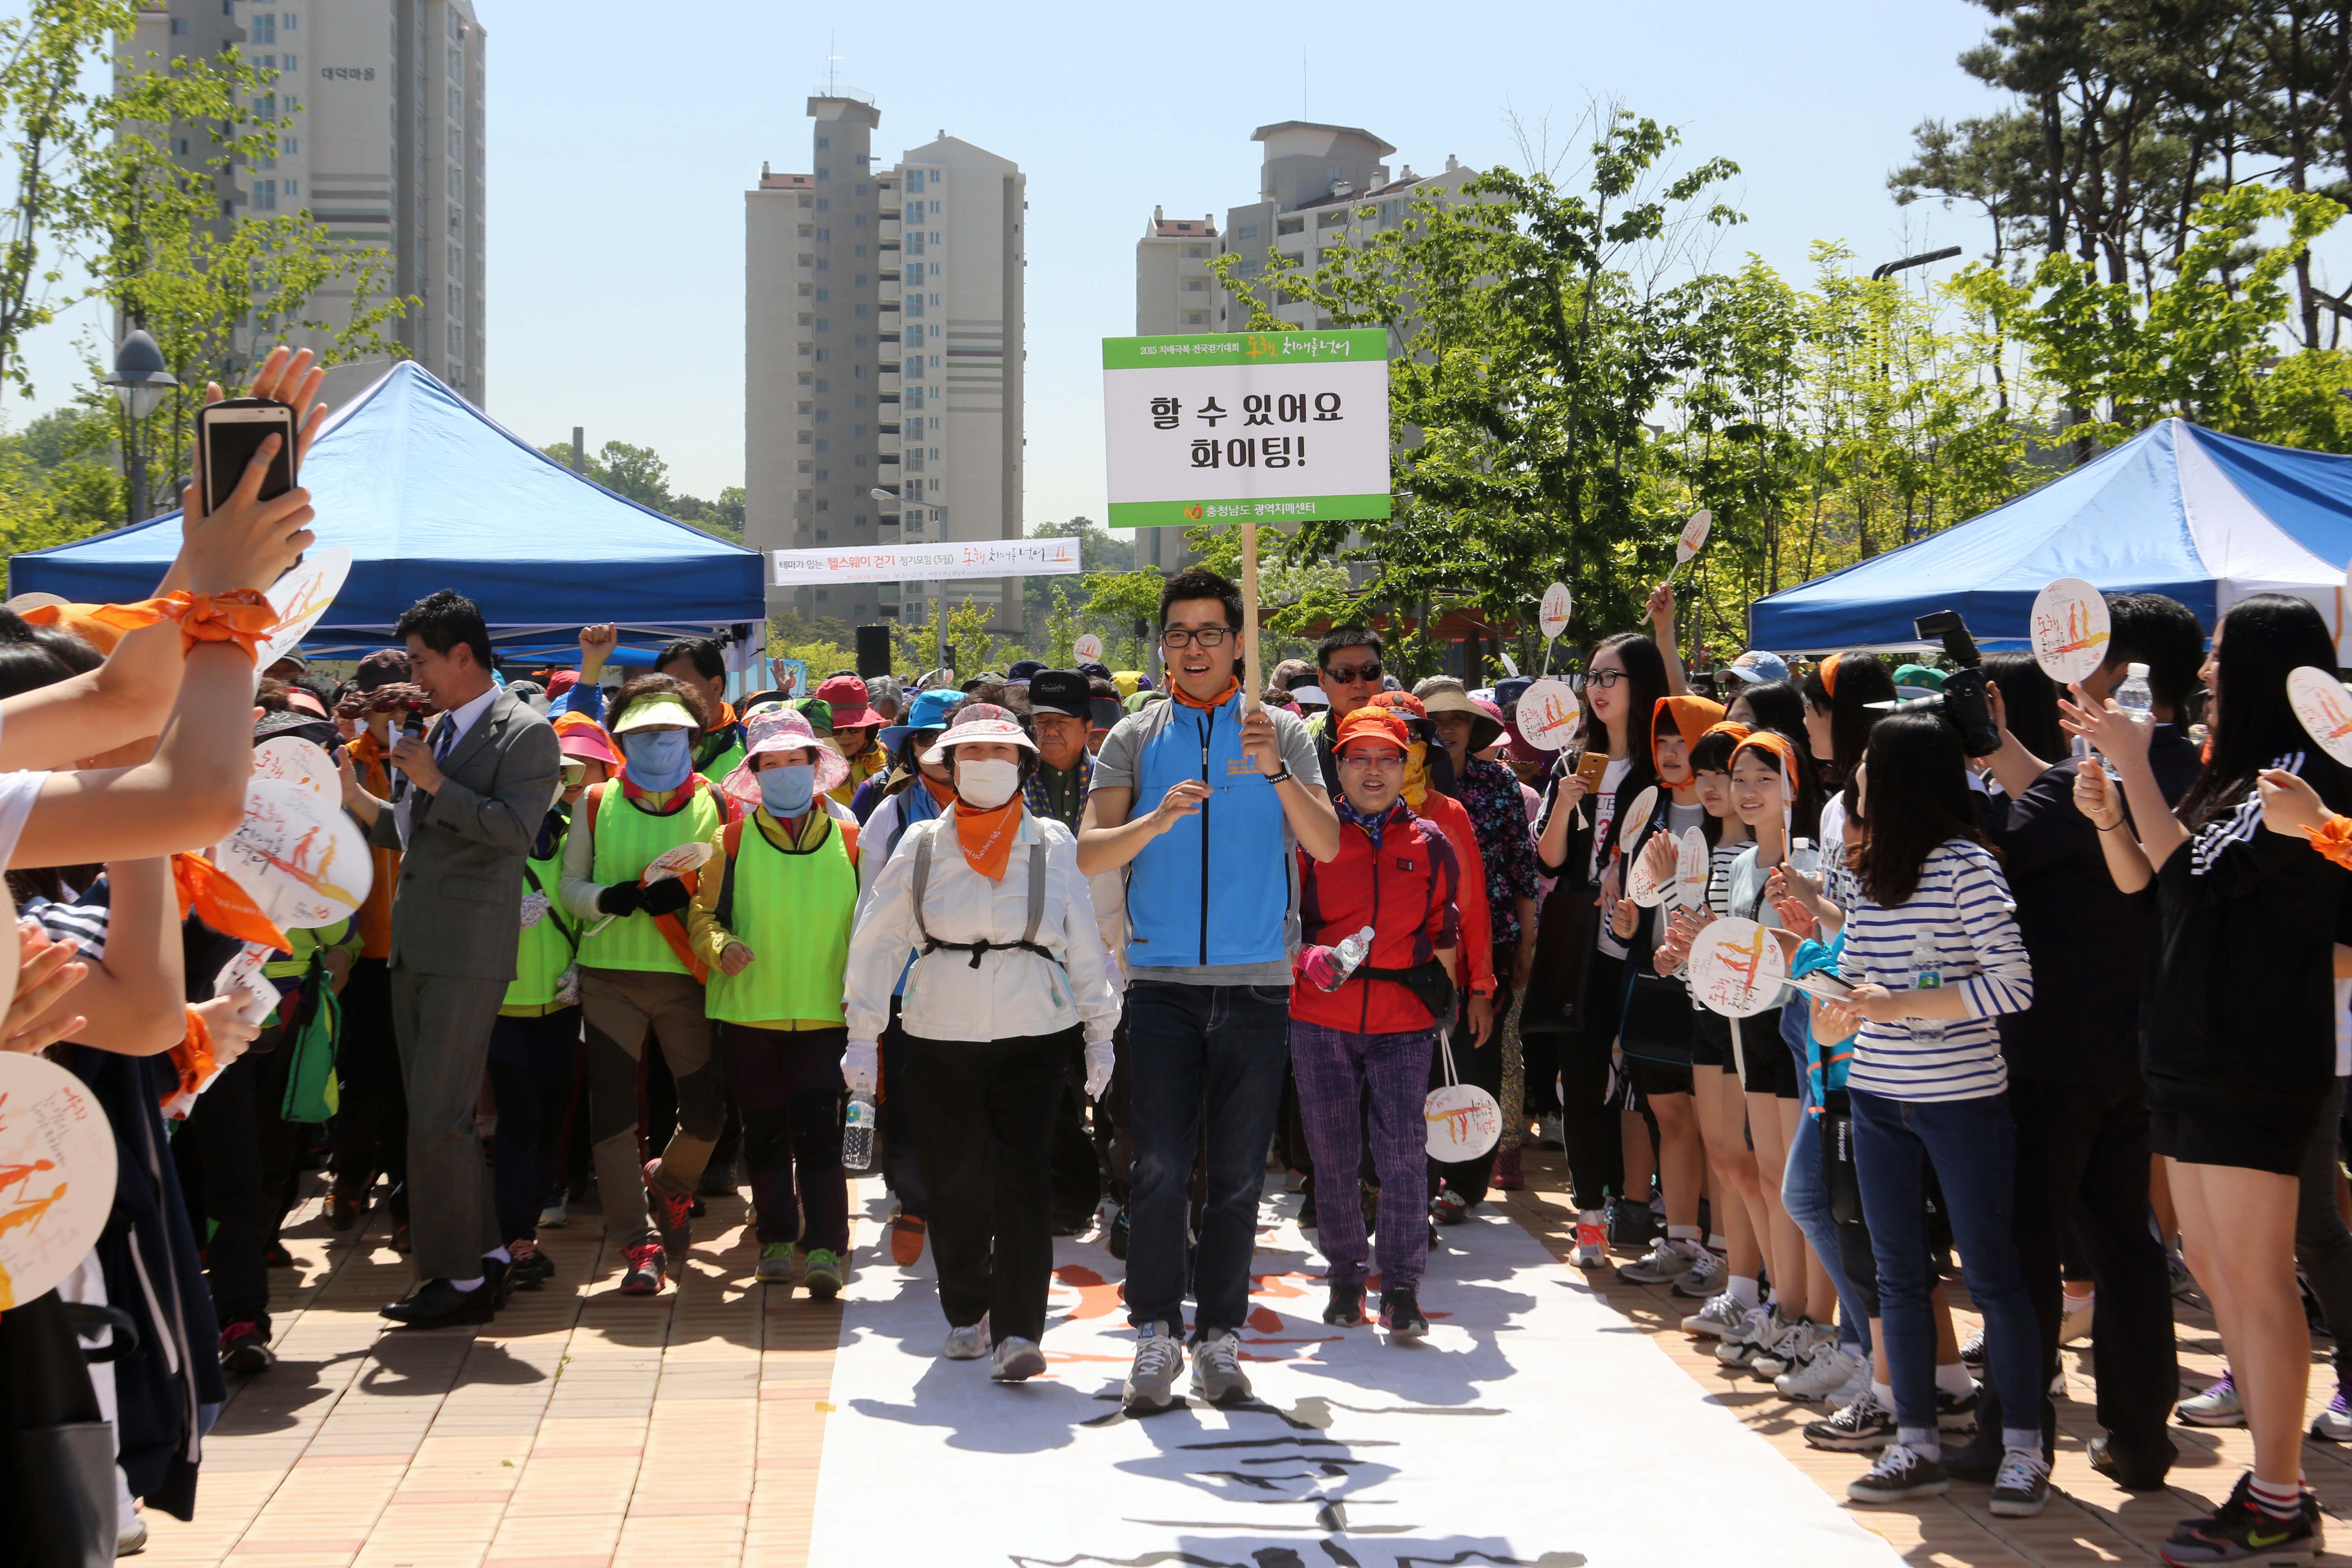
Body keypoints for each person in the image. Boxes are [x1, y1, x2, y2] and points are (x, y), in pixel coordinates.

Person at [2065, 593, 2343, 1562]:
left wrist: (2135, 767)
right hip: (2183, 1052)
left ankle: (2278, 1496)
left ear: (2269, 665)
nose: (2207, 670)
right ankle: (2269, 1486)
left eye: (2224, 654)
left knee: (2257, 1276)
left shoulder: (2300, 778)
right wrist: (2109, 810)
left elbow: (2188, 876)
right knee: (2222, 1275)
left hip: (2252, 1060)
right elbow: (2149, 883)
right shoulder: (2228, 778)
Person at [1079, 567, 1338, 1415]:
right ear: (1161, 646)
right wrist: (1153, 822)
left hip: (1258, 985)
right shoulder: (1133, 737)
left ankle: (1220, 1337)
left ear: (1238, 642)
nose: (1195, 647)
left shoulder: (1286, 733)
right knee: (1157, 1165)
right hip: (1159, 986)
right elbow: (1090, 852)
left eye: (1211, 633)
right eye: (1179, 633)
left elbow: (1326, 846)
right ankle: (1154, 1332)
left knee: (1234, 1176)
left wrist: (1273, 770)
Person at [1955, 650, 2182, 1491]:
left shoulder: (2063, 796)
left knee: (2027, 1251)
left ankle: (2013, 1433)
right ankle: (2139, 1437)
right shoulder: (2153, 775)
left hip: (2051, 1058)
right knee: (2127, 1244)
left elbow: (1999, 835)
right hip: (2133, 1050)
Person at [1809, 712, 2042, 1515]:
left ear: (1900, 774)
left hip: (1966, 1103)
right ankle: (1915, 1442)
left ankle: (2022, 1449)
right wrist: (1835, 1012)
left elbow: (2013, 986)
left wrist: (1897, 1004)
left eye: (1868, 760)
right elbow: (1859, 980)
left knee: (1992, 1276)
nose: (1856, 773)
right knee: (1898, 1278)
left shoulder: (1968, 865)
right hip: (1878, 1099)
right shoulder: (1873, 871)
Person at [845, 704, 1120, 1381]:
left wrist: (1100, 1032)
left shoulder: (1052, 841)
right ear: (951, 767)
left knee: (1025, 1180)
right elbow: (877, 940)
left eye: (1002, 755)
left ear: (1024, 766)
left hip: (1034, 1029)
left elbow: (1084, 942)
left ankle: (1021, 1332)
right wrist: (861, 1035)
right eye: (972, 755)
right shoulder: (922, 845)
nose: (988, 766)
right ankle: (968, 1315)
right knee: (954, 1178)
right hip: (937, 1029)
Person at [338, 590, 563, 1330]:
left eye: (423, 660)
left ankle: (458, 1278)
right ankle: (481, 1260)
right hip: (418, 945)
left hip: (468, 950)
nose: (416, 675)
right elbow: (413, 835)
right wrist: (353, 798)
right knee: (436, 1118)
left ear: (464, 655)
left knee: (440, 1117)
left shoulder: (525, 732)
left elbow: (512, 832)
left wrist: (435, 780)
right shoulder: (433, 732)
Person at [1290, 706, 1465, 1336]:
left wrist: (1442, 1004)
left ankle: (1401, 1288)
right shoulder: (1311, 838)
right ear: (1337, 766)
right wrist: (1305, 957)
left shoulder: (1431, 843)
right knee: (1333, 1155)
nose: (1374, 771)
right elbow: (1284, 924)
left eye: (1388, 758)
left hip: (1402, 1023)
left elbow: (1444, 930)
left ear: (1407, 766)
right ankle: (1344, 1277)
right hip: (1320, 1017)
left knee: (1402, 1155)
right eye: (1359, 758)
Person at [556, 674, 731, 1296]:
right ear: (623, 736)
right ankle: (638, 1240)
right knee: (612, 1116)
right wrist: (613, 897)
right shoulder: (596, 802)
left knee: (707, 1112)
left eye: (672, 731)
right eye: (645, 731)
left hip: (689, 980)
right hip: (611, 980)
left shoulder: (720, 802)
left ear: (694, 734)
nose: (660, 742)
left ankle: (673, 1184)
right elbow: (569, 888)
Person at [694, 704, 860, 1294]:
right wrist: (722, 946)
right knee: (764, 1135)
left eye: (796, 761)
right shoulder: (729, 840)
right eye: (774, 764)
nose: (786, 772)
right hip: (748, 1013)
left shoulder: (851, 839)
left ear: (815, 767)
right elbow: (703, 918)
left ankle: (826, 1249)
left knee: (819, 1135)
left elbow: (870, 930)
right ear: (756, 773)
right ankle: (777, 1239)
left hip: (824, 1015)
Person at [1528, 630, 1670, 1265]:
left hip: (1649, 946)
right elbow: (1551, 859)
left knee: (1648, 1085)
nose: (1597, 688)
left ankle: (1649, 1208)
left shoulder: (1664, 765)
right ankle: (1588, 1215)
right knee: (1581, 1080)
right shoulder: (1570, 764)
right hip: (1581, 946)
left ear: (1641, 685)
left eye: (1610, 676)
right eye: (1592, 676)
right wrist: (1563, 805)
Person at [1416, 677, 1539, 1216]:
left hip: (1489, 942)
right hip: (1418, 946)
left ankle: (1465, 1186)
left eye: (1458, 719)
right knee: (1421, 1066)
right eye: (1438, 721)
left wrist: (1528, 938)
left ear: (1474, 727)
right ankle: (1419, 1179)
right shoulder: (1403, 786)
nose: (1448, 730)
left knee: (1479, 1062)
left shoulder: (1499, 783)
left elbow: (1520, 865)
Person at [330, 648, 415, 1241]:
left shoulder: (432, 759)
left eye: (407, 701)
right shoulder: (344, 765)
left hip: (422, 950)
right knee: (362, 1082)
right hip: (359, 953)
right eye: (384, 703)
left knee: (416, 1088)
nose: (396, 714)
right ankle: (353, 1177)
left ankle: (410, 1208)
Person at [656, 636, 747, 783]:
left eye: (681, 684)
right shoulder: (650, 744)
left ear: (715, 686)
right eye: (664, 687)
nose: (672, 693)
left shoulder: (750, 747)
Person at [817, 673, 890, 805]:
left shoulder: (889, 758)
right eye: (836, 730)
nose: (846, 736)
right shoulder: (806, 765)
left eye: (855, 729)